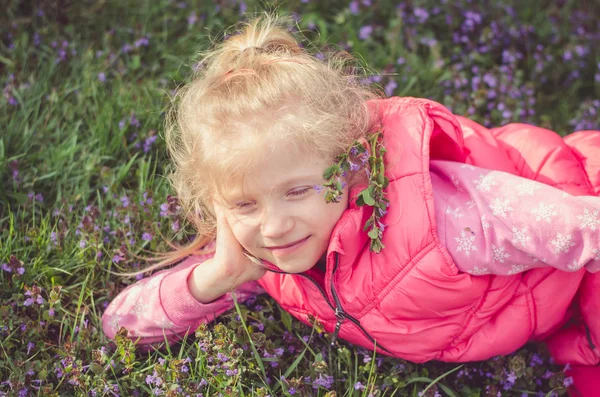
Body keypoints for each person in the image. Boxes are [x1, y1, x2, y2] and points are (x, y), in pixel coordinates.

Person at [101, 13, 600, 394]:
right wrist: (218, 276)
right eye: (244, 204)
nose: (273, 226)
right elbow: (120, 327)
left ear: (353, 165)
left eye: (297, 191)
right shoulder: (260, 254)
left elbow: (584, 225)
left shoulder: (440, 221)